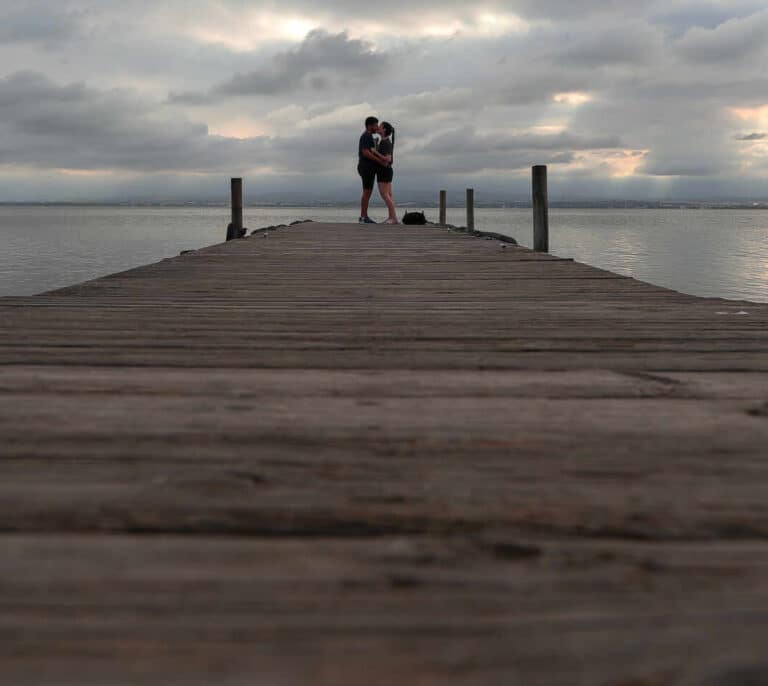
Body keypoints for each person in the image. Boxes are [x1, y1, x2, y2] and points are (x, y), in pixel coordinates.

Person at [357, 116, 382, 224]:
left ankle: (364, 215)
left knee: (368, 192)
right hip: (366, 166)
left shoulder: (369, 136)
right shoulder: (366, 136)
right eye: (376, 125)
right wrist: (378, 160)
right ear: (370, 125)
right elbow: (365, 152)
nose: (377, 127)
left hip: (367, 166)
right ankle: (363, 217)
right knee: (367, 192)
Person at [375, 121, 398, 224]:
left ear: (384, 129)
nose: (378, 127)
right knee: (388, 195)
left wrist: (375, 152)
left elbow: (388, 158)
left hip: (384, 171)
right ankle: (392, 217)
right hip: (386, 171)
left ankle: (393, 218)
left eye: (380, 126)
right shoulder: (383, 141)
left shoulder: (385, 142)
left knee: (385, 195)